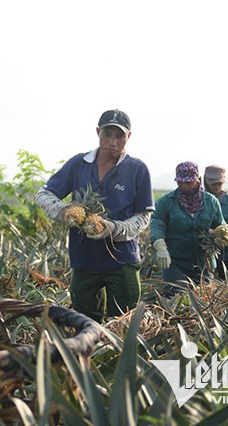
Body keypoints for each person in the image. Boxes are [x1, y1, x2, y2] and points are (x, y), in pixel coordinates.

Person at [35, 109, 155, 322]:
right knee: (84, 323)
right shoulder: (78, 164)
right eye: (107, 134)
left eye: (119, 136)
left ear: (128, 137)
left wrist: (114, 229)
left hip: (122, 260)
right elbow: (44, 193)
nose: (113, 141)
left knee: (123, 323)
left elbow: (143, 216)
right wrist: (64, 212)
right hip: (84, 260)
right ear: (97, 132)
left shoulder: (137, 169)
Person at [150, 161, 228, 287]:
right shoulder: (166, 202)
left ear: (197, 180)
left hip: (204, 263)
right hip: (175, 262)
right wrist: (160, 246)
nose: (183, 185)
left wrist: (223, 234)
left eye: (188, 182)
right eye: (180, 181)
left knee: (204, 299)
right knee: (176, 297)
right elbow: (156, 225)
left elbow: (220, 224)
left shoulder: (211, 202)